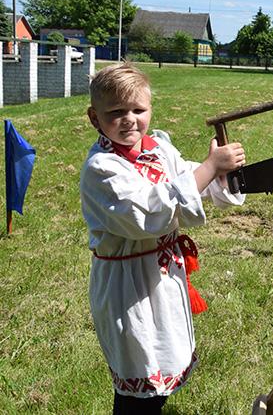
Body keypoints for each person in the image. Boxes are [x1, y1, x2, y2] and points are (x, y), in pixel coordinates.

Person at [80, 63, 246, 414]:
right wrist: (209, 167)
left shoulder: (159, 149)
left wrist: (223, 173)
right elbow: (151, 213)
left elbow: (189, 181)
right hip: (129, 288)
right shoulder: (101, 169)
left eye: (139, 110)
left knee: (161, 372)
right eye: (116, 112)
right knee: (139, 380)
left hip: (163, 277)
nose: (130, 120)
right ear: (95, 118)